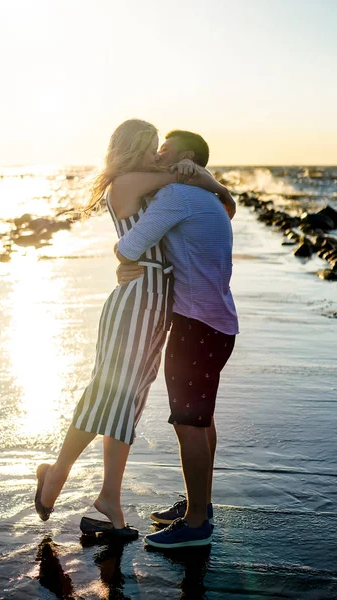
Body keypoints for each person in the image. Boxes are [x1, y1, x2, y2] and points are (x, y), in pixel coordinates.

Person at [34, 119, 235, 538]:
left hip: (159, 301)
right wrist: (199, 175)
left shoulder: (161, 185)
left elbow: (211, 202)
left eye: (163, 149)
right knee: (108, 393)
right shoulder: (127, 181)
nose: (159, 154)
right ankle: (57, 474)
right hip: (139, 297)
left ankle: (109, 499)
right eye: (153, 146)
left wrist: (205, 180)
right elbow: (180, 189)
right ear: (137, 148)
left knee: (128, 402)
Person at [115, 129, 239, 548]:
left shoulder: (176, 197)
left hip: (195, 326)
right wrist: (207, 179)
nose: (159, 152)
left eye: (166, 147)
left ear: (187, 156)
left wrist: (122, 263)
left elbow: (129, 246)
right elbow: (230, 206)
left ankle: (197, 523)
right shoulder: (210, 198)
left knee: (188, 423)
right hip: (220, 324)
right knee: (202, 421)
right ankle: (197, 503)